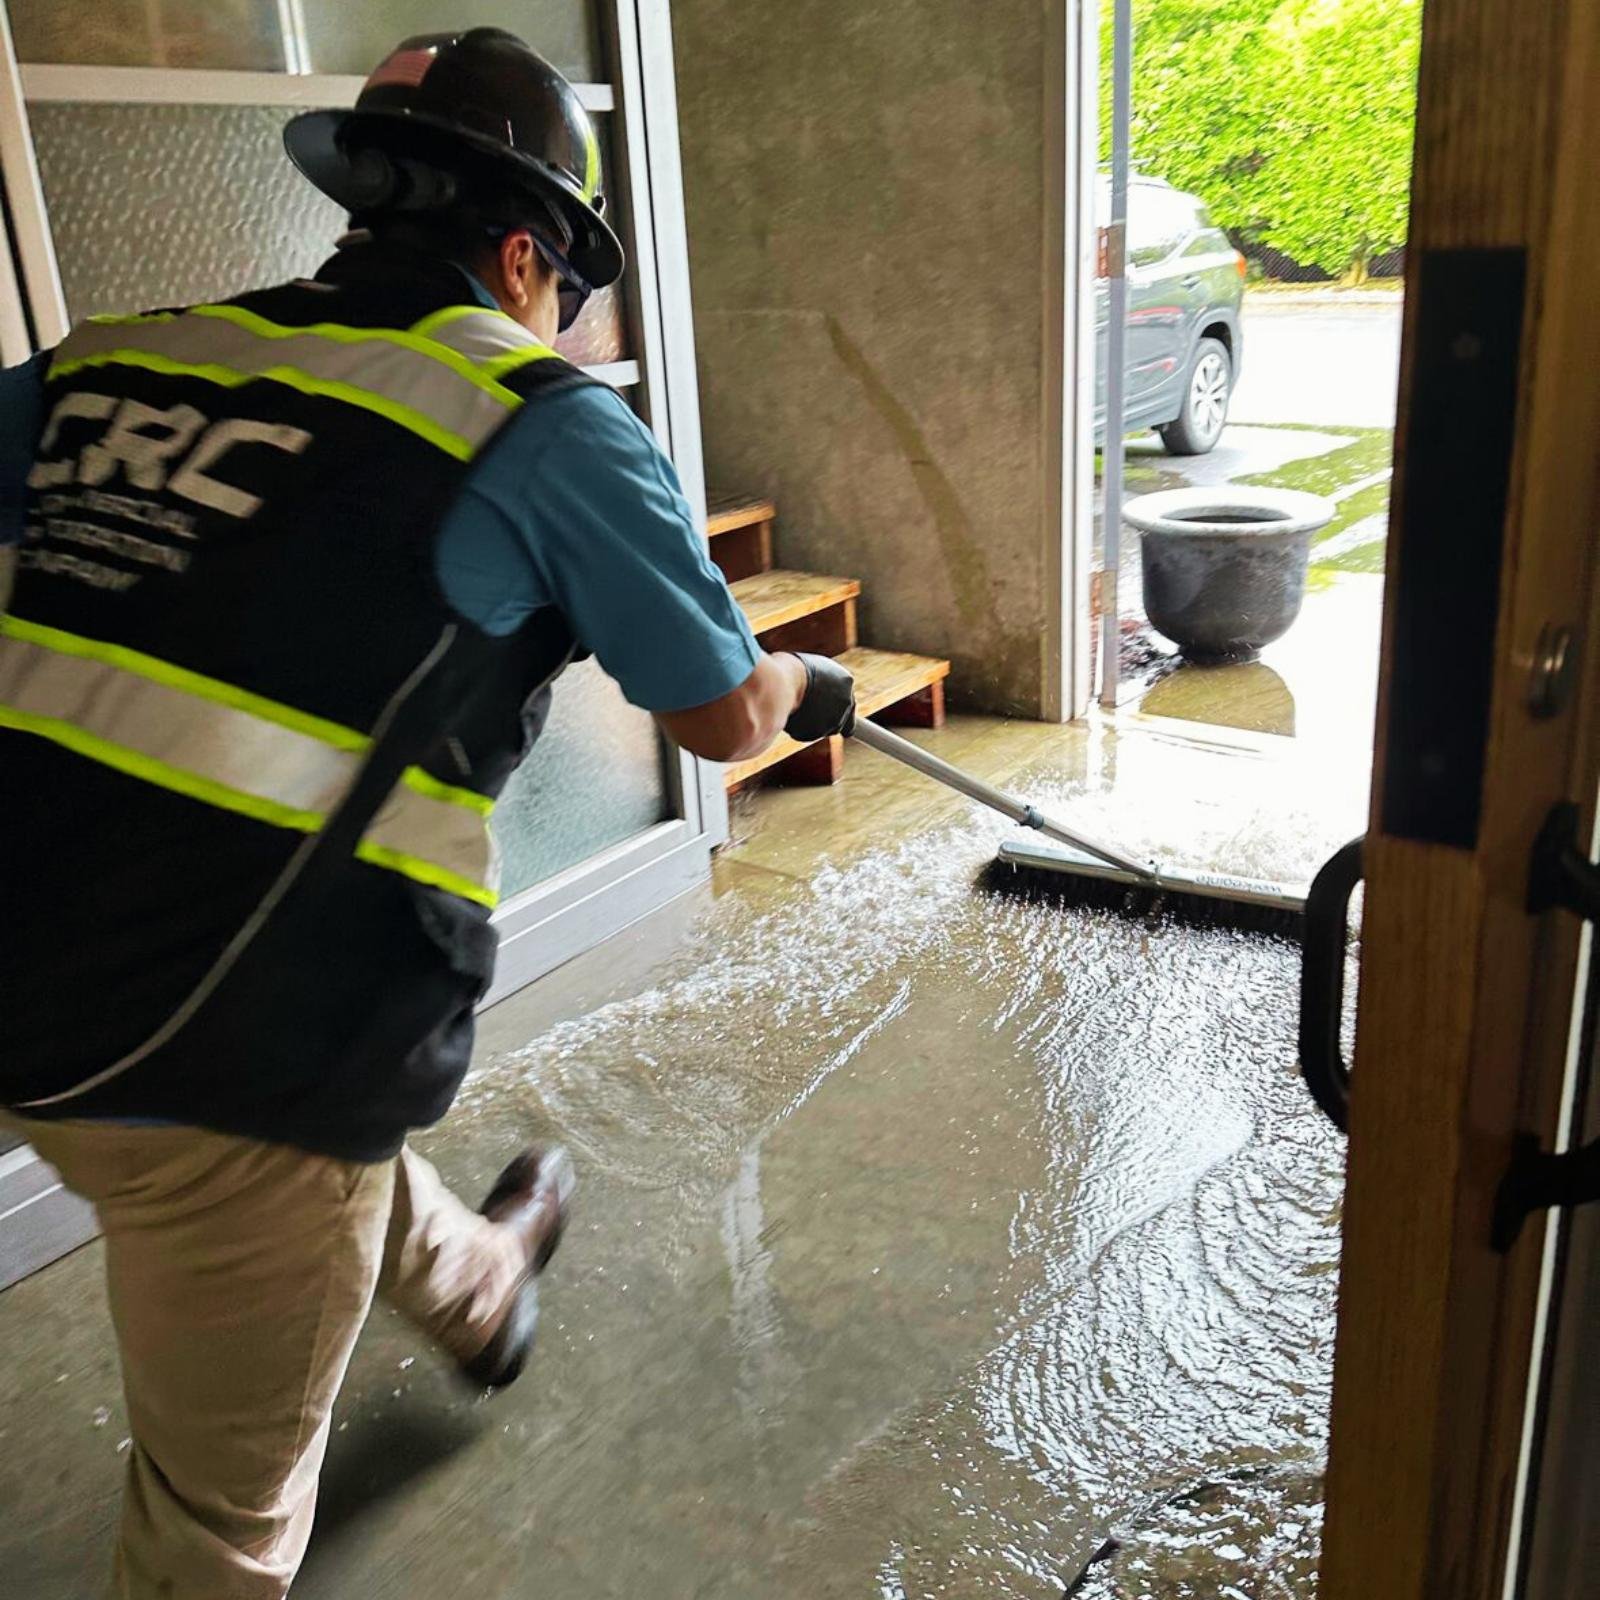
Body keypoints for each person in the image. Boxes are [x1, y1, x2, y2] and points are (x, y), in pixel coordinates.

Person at [0, 27, 854, 1599]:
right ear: (527, 253)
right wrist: (804, 689)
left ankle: (479, 1289)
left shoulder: (120, 358)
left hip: (25, 954)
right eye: (570, 291)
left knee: (309, 1169)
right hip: (218, 1054)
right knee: (218, 1523)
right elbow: (723, 713)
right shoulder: (541, 420)